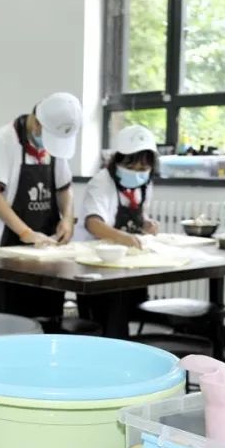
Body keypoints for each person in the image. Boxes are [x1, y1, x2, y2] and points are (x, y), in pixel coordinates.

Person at [0, 93, 81, 318]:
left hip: (46, 252)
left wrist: (67, 219)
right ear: (37, 122)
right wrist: (25, 232)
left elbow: (64, 188)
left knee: (48, 321)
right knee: (9, 324)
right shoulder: (4, 140)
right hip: (4, 250)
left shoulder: (54, 144)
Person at [76, 125, 160, 336]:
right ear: (119, 161)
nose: (139, 174)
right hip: (96, 263)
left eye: (143, 169)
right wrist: (123, 237)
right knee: (107, 321)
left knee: (125, 315)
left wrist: (146, 224)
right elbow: (93, 223)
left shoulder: (145, 184)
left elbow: (138, 213)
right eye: (133, 167)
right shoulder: (102, 182)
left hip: (127, 264)